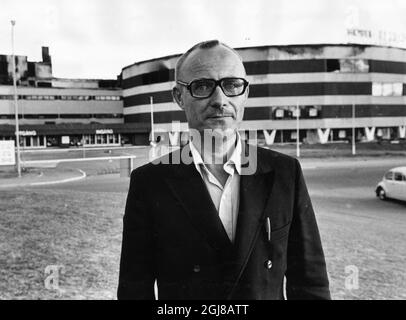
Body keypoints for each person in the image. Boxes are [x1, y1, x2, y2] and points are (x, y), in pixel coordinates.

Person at [117, 40, 331, 300]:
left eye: (232, 85)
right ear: (178, 97)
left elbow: (310, 283)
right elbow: (134, 291)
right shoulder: (149, 183)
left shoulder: (285, 173)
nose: (220, 100)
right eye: (203, 86)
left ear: (245, 94)